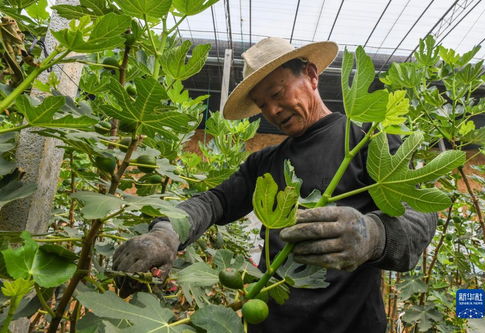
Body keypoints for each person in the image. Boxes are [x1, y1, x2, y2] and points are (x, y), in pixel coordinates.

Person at [112, 37, 437, 332]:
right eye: (262, 103)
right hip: (271, 324)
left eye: (278, 93)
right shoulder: (265, 162)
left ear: (311, 74)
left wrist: (374, 236)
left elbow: (420, 217)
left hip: (351, 325)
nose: (272, 110)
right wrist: (167, 232)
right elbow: (214, 202)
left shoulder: (367, 139)